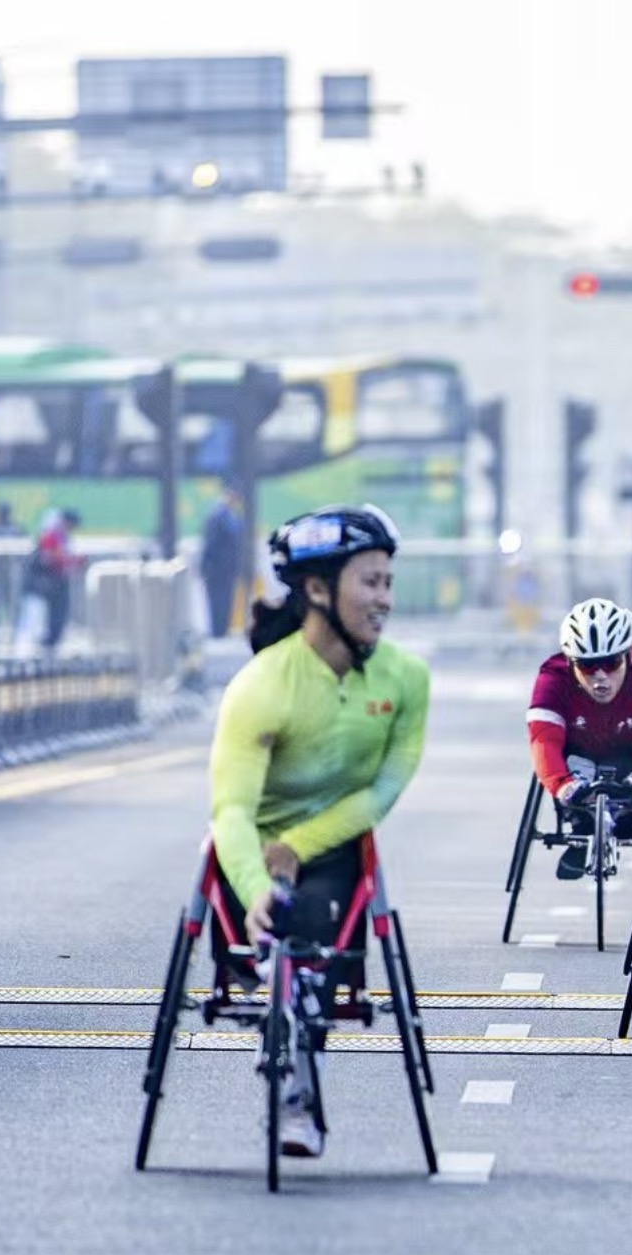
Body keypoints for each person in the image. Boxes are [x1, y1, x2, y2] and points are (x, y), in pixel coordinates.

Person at [210, 504, 430, 1159]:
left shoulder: (407, 680)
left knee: (313, 916)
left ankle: (299, 1085)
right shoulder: (260, 685)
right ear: (317, 589)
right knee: (279, 910)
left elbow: (382, 793)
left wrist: (300, 847)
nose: (384, 599)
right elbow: (230, 812)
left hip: (335, 848)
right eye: (370, 582)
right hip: (249, 852)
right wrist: (255, 888)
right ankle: (274, 994)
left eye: (388, 582)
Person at [527, 597, 632, 879]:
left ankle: (630, 820)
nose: (600, 677)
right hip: (577, 759)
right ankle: (581, 824)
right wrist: (562, 785)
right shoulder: (552, 678)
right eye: (587, 665)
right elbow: (543, 741)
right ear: (569, 662)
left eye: (611, 663)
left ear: (630, 655)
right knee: (571, 763)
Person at [19, 508, 82, 653]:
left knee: (54, 622)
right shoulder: (50, 535)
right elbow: (49, 558)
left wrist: (73, 562)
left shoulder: (64, 538)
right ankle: (25, 652)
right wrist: (68, 561)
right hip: (38, 587)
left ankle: (46, 648)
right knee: (33, 621)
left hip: (54, 587)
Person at [200, 488, 248, 640]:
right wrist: (206, 566)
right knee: (217, 599)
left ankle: (223, 628)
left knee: (226, 598)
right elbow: (210, 544)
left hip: (228, 568)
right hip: (216, 568)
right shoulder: (217, 517)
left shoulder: (232, 517)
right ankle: (218, 630)